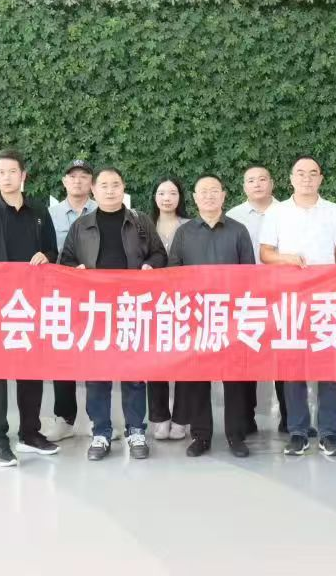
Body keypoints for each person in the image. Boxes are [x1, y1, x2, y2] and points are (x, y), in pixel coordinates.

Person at [60, 167, 166, 461]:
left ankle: (135, 430)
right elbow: (65, 260)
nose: (110, 190)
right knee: (97, 373)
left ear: (123, 187)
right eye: (104, 185)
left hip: (132, 306)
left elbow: (159, 253)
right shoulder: (81, 226)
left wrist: (151, 266)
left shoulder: (140, 221)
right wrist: (76, 270)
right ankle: (101, 433)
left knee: (134, 373)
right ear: (94, 190)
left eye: (115, 184)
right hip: (95, 309)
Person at [0, 149, 61, 467]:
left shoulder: (39, 211)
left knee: (31, 370)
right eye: (0, 172)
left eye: (12, 171)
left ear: (23, 176)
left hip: (32, 304)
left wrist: (46, 256)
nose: (6, 177)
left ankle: (30, 433)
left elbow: (52, 250)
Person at [259, 155, 336, 457]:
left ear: (321, 178)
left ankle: (329, 433)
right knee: (293, 368)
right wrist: (286, 258)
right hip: (290, 299)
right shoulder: (277, 212)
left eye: (313, 173)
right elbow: (265, 253)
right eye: (301, 173)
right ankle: (298, 432)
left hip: (327, 299)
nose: (307, 178)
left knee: (330, 369)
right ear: (291, 178)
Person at [167, 174, 257, 457]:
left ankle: (235, 436)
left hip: (231, 316)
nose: (208, 195)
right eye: (202, 191)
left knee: (235, 379)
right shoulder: (184, 233)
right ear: (194, 198)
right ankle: (201, 436)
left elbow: (249, 275)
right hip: (195, 317)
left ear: (223, 195)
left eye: (214, 190)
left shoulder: (238, 231)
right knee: (197, 378)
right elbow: (173, 274)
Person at [226, 164, 281, 436]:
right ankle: (246, 416)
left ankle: (289, 417)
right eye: (251, 180)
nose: (257, 184)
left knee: (284, 354)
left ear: (272, 183)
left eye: (262, 179)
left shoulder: (288, 211)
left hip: (282, 294)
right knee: (245, 355)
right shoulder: (232, 216)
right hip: (244, 297)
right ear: (243, 186)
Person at [46, 159, 96, 441]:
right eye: (72, 176)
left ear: (92, 182)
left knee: (94, 354)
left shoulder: (103, 211)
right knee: (62, 356)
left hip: (95, 295)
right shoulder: (49, 214)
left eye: (84, 176)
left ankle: (95, 418)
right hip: (60, 295)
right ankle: (64, 418)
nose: (78, 181)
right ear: (64, 181)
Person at [147, 176, 191, 442]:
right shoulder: (143, 225)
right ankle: (159, 417)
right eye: (162, 192)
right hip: (151, 304)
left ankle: (182, 418)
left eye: (173, 193)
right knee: (155, 362)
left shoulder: (190, 226)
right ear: (154, 197)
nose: (167, 198)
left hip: (185, 303)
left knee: (185, 361)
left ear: (180, 197)